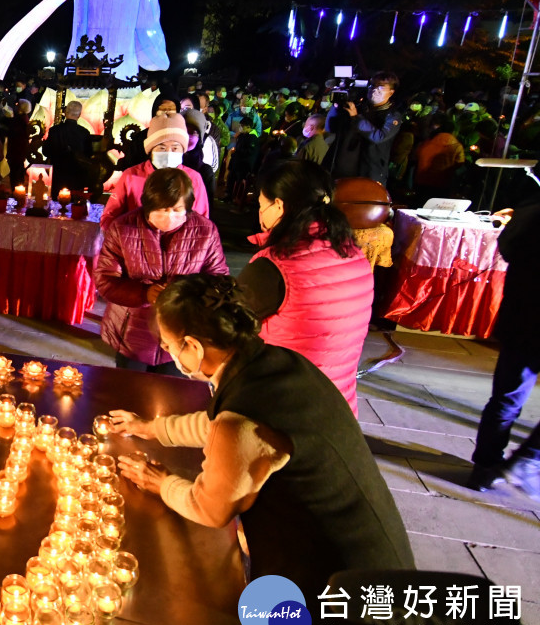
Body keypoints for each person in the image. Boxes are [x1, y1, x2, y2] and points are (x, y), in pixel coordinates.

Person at [109, 275, 413, 625]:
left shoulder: (242, 417)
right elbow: (216, 425)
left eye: (169, 346)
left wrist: (161, 481)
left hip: (335, 588)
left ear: (194, 347)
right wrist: (149, 428)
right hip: (378, 553)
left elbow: (211, 508)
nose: (166, 352)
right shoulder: (276, 364)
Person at [238, 161, 373, 416]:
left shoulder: (277, 264)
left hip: (284, 406)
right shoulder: (351, 252)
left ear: (278, 206)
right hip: (337, 404)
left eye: (260, 205)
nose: (260, 213)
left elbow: (230, 323)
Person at [95, 168, 227, 373]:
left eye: (176, 210)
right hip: (132, 333)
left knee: (171, 397)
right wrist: (143, 293)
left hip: (182, 335)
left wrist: (185, 293)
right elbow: (105, 280)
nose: (169, 216)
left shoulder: (205, 231)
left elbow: (219, 279)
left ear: (188, 207)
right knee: (129, 392)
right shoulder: (123, 228)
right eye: (162, 210)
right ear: (148, 204)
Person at [468, 198, 540, 499]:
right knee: (506, 398)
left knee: (506, 398)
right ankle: (528, 458)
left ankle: (485, 469)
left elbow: (507, 250)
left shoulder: (529, 216)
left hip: (520, 319)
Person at [101, 111, 210, 229]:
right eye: (162, 147)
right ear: (151, 150)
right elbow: (109, 218)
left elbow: (201, 224)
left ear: (183, 150)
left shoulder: (193, 179)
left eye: (175, 148)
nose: (169, 153)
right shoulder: (131, 176)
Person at [325, 71, 404, 185]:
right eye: (372, 86)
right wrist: (336, 108)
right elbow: (331, 128)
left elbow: (379, 137)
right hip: (343, 168)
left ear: (391, 92)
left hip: (370, 171)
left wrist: (356, 118)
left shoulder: (392, 115)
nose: (375, 91)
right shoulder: (359, 106)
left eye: (381, 88)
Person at [43, 101, 93, 191]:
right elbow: (88, 154)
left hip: (58, 173)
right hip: (77, 174)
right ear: (79, 115)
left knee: (57, 201)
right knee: (75, 202)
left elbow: (46, 151)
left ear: (65, 112)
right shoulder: (84, 132)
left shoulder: (54, 130)